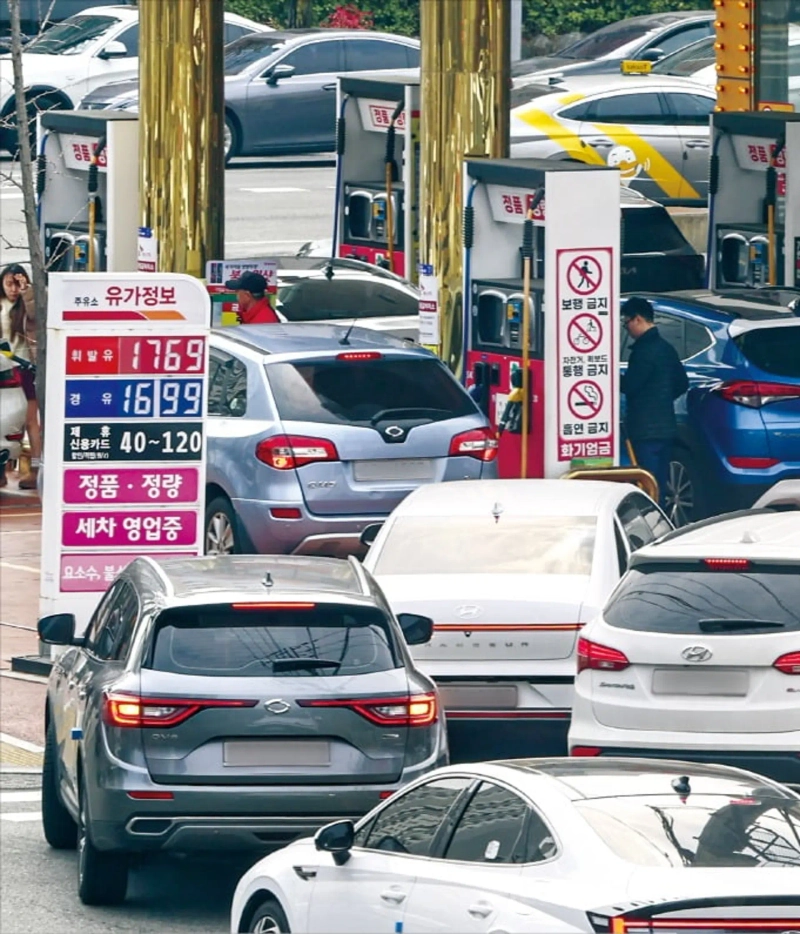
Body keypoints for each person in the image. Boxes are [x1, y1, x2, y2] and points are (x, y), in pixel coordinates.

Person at [620, 296, 689, 509]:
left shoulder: (643, 352)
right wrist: (662, 398)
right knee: (658, 480)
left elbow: (631, 385)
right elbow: (682, 383)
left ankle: (651, 523)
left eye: (626, 322)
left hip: (644, 428)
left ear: (638, 319)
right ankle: (660, 521)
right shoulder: (666, 348)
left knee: (646, 483)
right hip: (666, 427)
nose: (626, 328)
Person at [0, 264, 40, 490]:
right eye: (9, 284)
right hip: (4, 369)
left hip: (25, 369)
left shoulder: (27, 306)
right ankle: (5, 470)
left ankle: (34, 469)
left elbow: (35, 317)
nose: (13, 289)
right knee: (7, 423)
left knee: (30, 421)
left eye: (17, 283)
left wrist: (28, 292)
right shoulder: (1, 305)